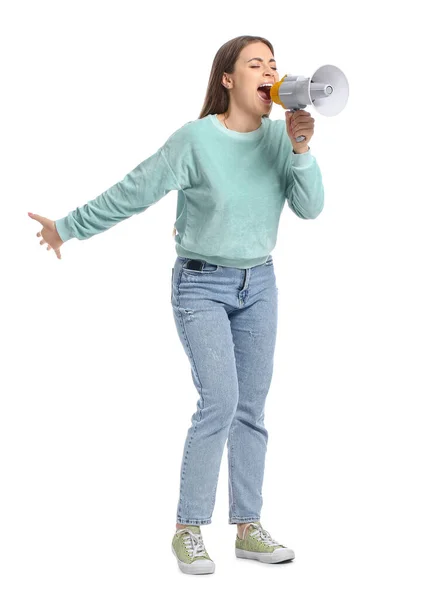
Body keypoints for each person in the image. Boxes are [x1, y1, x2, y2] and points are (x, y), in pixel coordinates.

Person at [28, 35, 324, 575]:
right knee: (221, 401)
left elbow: (311, 209)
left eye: (275, 65)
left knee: (252, 409)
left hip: (259, 284)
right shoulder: (194, 140)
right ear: (229, 79)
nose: (270, 72)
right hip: (201, 285)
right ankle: (188, 529)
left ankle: (247, 527)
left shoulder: (284, 138)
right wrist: (68, 228)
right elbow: (134, 190)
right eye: (256, 64)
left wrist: (302, 152)